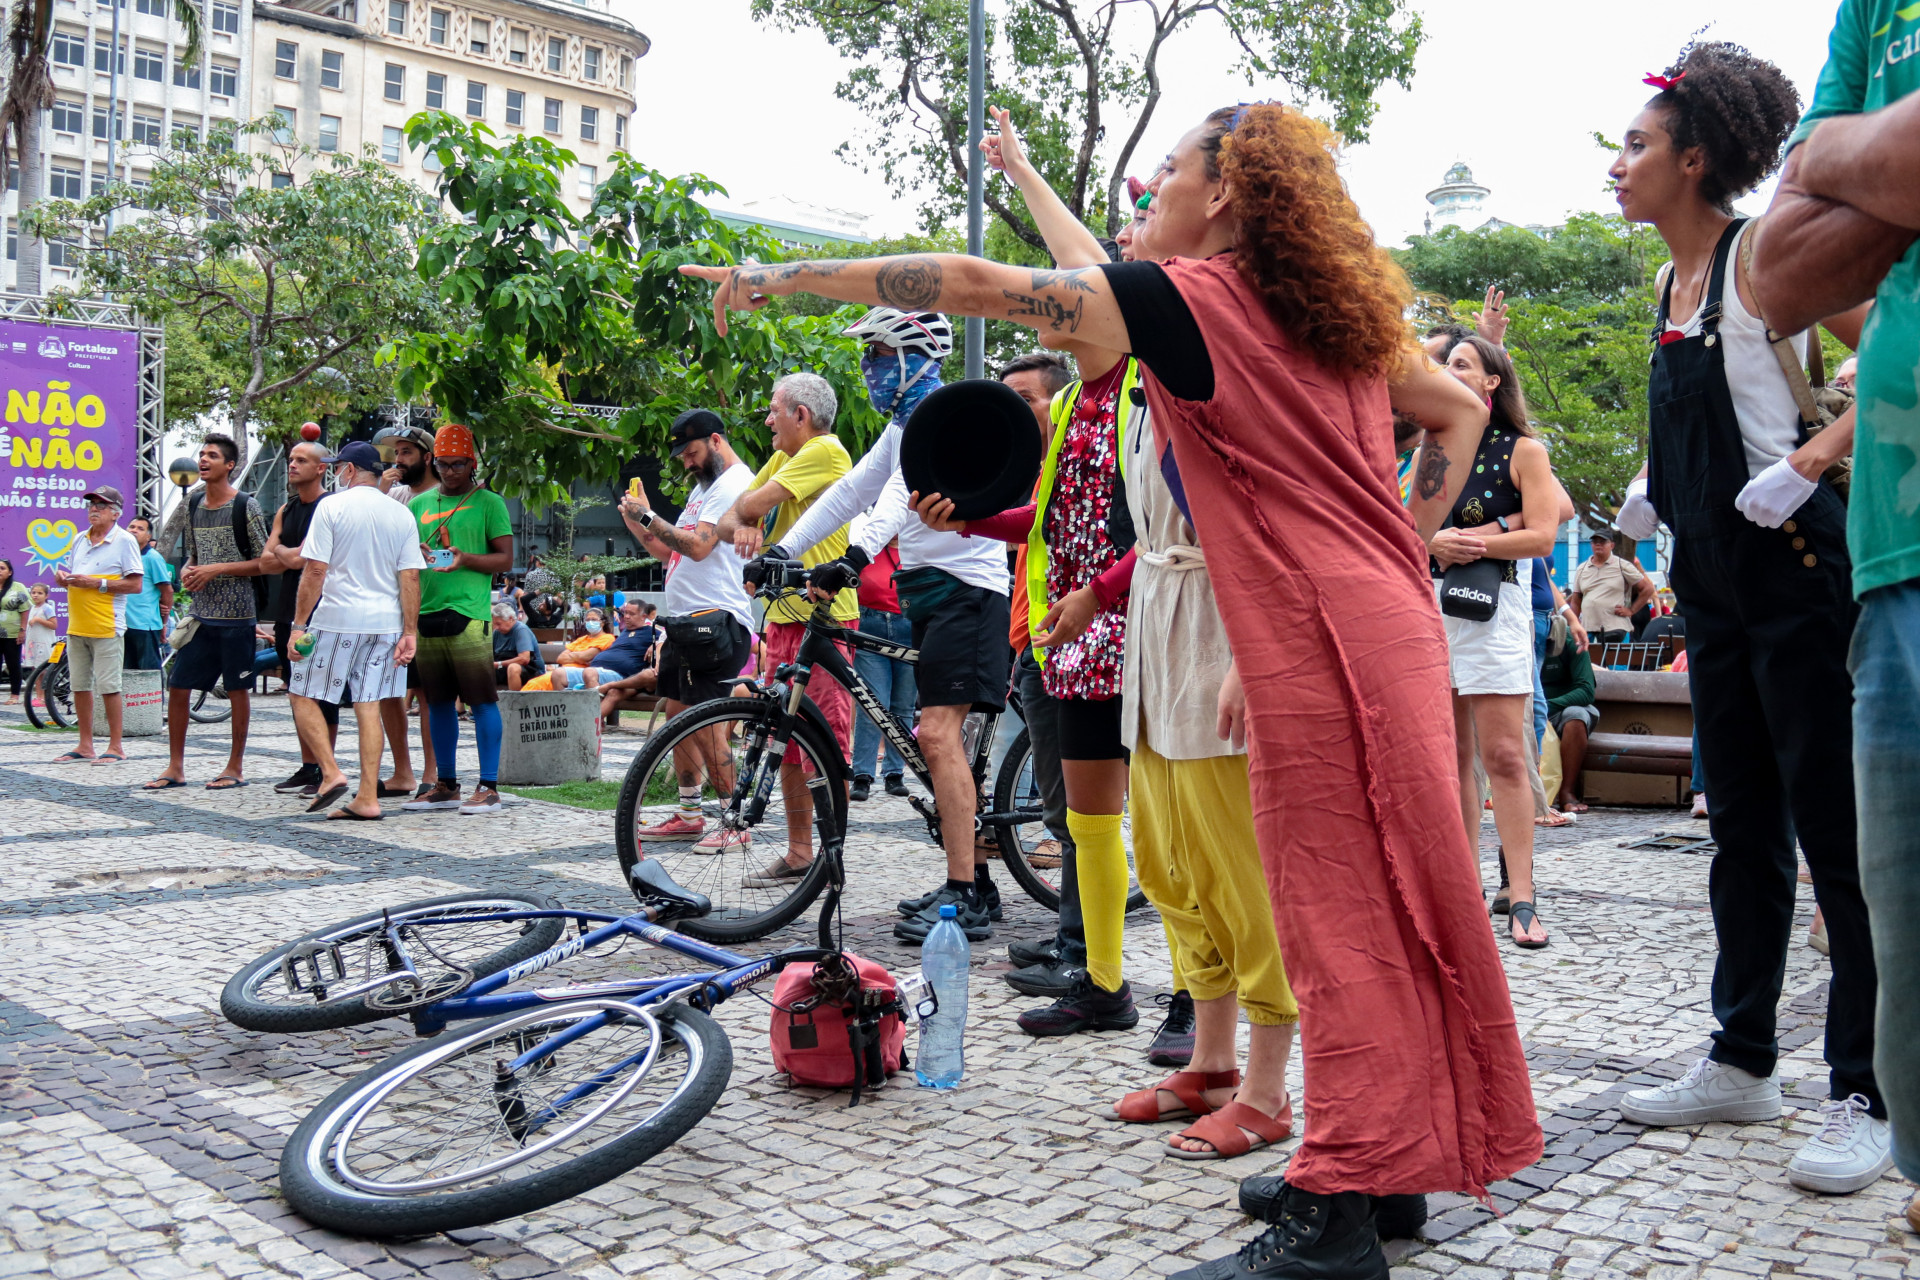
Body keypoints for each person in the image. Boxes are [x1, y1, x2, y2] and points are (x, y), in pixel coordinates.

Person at [680, 99, 1541, 1275]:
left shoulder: (1198, 299)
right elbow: (1462, 406)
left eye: (1166, 175)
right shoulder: (1317, 310)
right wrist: (1385, 542)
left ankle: (1335, 1220)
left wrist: (782, 274)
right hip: (1372, 620)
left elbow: (978, 281)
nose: (1147, 198)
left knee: (1333, 916)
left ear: (1227, 193)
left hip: (1316, 632)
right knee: (1373, 905)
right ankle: (1381, 1176)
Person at [1605, 42, 1889, 1197]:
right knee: (1741, 829)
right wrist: (1646, 491)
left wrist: (1815, 454)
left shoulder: (1767, 250)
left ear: (1696, 156)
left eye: (1634, 145)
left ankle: (1870, 1090)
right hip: (1713, 593)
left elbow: (1895, 358)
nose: (1617, 165)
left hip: (1798, 568)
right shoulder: (1665, 290)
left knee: (1838, 838)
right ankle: (1742, 1054)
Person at [1762, 1, 1920, 1208]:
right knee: (1885, 906)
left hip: (1825, 567)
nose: (1615, 164)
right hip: (1892, 567)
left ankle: (1856, 1090)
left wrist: (1836, 162)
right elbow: (1783, 270)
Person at [739, 312, 1017, 944]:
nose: (870, 366)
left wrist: (853, 560)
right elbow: (852, 491)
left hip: (966, 595)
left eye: (879, 353)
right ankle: (971, 871)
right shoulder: (900, 424)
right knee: (934, 738)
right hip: (930, 596)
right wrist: (789, 549)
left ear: (918, 354)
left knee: (937, 737)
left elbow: (897, 495)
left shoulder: (938, 415)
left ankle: (964, 893)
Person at [1420, 336, 1564, 947]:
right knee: (1450, 758)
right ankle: (1462, 892)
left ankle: (1523, 895)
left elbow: (1543, 536)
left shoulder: (1523, 450)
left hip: (1497, 608)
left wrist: (1467, 542)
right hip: (1432, 609)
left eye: (1460, 364)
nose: (1446, 372)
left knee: (1505, 754)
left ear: (1491, 383)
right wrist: (1433, 544)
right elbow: (1408, 528)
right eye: (1442, 364)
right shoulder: (1431, 451)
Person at [708, 373, 859, 880]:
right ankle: (799, 852)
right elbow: (728, 523)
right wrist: (747, 518)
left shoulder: (826, 450)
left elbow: (747, 507)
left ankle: (830, 853)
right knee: (785, 738)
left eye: (775, 410)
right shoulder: (784, 459)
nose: (768, 419)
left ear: (802, 415)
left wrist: (750, 515)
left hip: (825, 614)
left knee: (826, 741)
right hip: (780, 618)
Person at [618, 410, 758, 842]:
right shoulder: (707, 490)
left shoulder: (733, 484)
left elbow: (697, 547)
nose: (686, 463)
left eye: (692, 453)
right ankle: (690, 813)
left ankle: (735, 821)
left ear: (716, 441)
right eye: (681, 456)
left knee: (707, 723)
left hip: (716, 624)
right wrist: (638, 522)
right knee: (679, 717)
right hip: (688, 624)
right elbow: (672, 552)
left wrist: (647, 516)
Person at [286, 441, 425, 820]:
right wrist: (409, 631)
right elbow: (410, 575)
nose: (335, 474)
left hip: (337, 618)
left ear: (348, 471)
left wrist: (298, 627)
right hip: (386, 622)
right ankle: (367, 797)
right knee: (369, 706)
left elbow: (314, 570)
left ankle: (330, 773)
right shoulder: (400, 514)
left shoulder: (331, 505)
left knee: (301, 692)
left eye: (337, 468)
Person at [403, 423, 514, 816]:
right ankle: (446, 785)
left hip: (469, 614)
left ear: (471, 464)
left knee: (481, 701)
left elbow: (505, 559)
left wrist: (465, 558)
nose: (450, 472)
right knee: (436, 703)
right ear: (433, 461)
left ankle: (489, 786)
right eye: (443, 464)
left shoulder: (489, 503)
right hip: (427, 612)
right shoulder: (417, 505)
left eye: (458, 465)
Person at [148, 437, 267, 790]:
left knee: (237, 689)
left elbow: (265, 562)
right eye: (202, 454)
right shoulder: (192, 503)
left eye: (212, 455)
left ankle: (235, 767)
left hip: (237, 616)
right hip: (201, 615)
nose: (203, 459)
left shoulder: (247, 505)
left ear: (229, 465)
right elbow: (195, 555)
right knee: (179, 685)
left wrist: (216, 569)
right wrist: (189, 569)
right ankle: (175, 767)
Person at [262, 442, 344, 796]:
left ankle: (328, 768)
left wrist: (282, 552)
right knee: (297, 687)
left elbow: (299, 560)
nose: (292, 465)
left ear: (322, 467)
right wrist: (285, 552)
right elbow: (267, 561)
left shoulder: (330, 507)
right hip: (288, 609)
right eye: (291, 459)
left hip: (322, 609)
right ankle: (310, 766)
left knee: (322, 693)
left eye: (301, 460)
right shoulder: (286, 508)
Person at [52, 487, 144, 764]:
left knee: (109, 686)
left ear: (116, 512)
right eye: (92, 504)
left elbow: (135, 585)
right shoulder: (80, 539)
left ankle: (116, 747)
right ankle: (85, 744)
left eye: (102, 505)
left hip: (107, 625)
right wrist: (63, 579)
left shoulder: (124, 540)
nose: (94, 509)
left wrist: (96, 583)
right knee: (79, 686)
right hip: (77, 623)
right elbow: (74, 577)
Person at [375, 421, 439, 796]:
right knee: (388, 690)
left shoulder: (444, 496)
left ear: (426, 457)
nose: (399, 459)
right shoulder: (394, 496)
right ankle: (403, 772)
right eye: (396, 453)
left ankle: (431, 773)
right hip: (393, 607)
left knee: (428, 693)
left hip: (431, 605)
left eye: (406, 452)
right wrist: (381, 491)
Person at [846, 530, 914, 801]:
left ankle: (894, 772)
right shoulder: (867, 548)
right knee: (873, 703)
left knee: (903, 705)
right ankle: (862, 774)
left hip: (909, 626)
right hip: (870, 625)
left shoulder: (917, 547)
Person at [1540, 617, 1597, 814]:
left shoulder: (1570, 641)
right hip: (1529, 709)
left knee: (1576, 716)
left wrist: (1545, 707)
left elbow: (1586, 690)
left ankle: (1567, 792)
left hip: (1563, 709)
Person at [1568, 529, 1653, 646]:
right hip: (1587, 628)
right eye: (1595, 541)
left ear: (1612, 545)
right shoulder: (1582, 568)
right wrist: (1574, 622)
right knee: (1588, 663)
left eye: (1602, 541)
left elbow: (1648, 588)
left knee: (1617, 662)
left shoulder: (1622, 565)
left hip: (1615, 627)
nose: (1598, 544)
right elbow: (1576, 599)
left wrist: (1631, 610)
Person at [121, 518, 174, 672]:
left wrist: (164, 623)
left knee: (148, 674)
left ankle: (156, 697)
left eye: (140, 528)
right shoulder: (121, 554)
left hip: (144, 625)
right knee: (127, 674)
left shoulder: (152, 558)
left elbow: (167, 590)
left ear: (148, 537)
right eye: (131, 526)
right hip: (121, 624)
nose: (134, 530)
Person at [491, 603, 543, 689]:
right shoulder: (497, 633)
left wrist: (498, 664)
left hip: (531, 672)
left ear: (511, 619)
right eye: (494, 624)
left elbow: (524, 659)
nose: (496, 627)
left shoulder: (521, 630)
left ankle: (515, 701)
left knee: (513, 668)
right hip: (503, 670)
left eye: (499, 624)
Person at [0, 560, 31, 704]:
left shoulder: (18, 587)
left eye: (2, 568)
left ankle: (14, 695)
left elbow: (25, 609)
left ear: (10, 572)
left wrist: (22, 630)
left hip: (12, 633)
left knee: (13, 664)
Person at [23, 583, 56, 672]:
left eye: (40, 593)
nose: (36, 595)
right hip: (33, 643)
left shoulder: (47, 608)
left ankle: (44, 686)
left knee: (43, 670)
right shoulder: (33, 607)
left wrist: (38, 619)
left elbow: (54, 625)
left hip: (43, 643)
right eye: (33, 593)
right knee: (35, 670)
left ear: (46, 596)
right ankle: (37, 686)